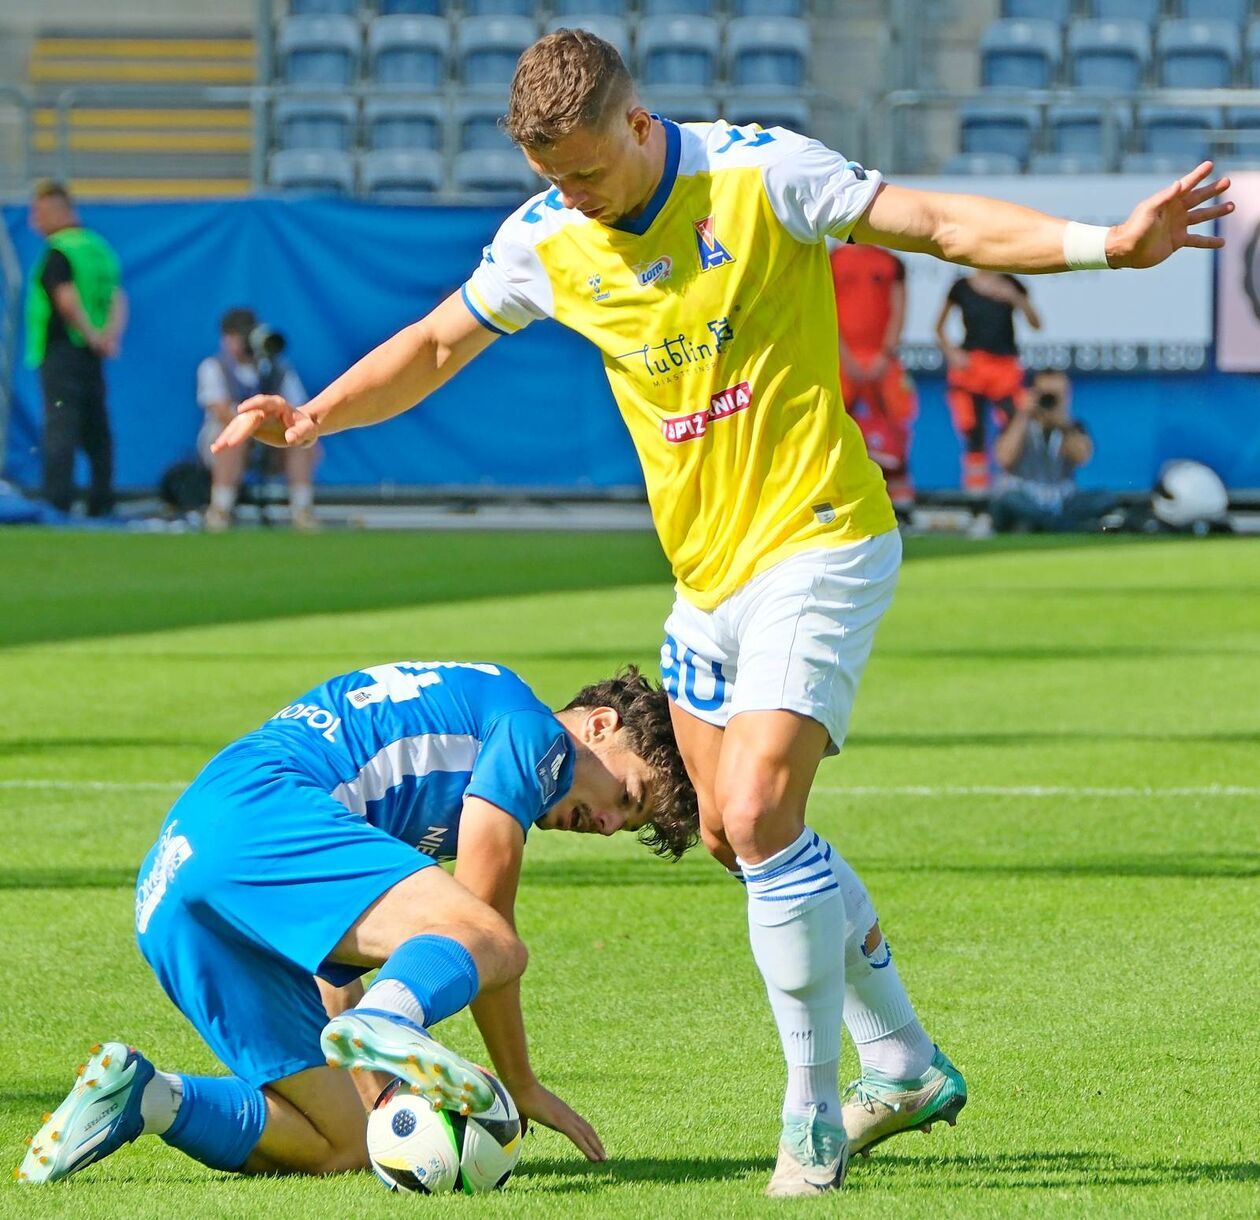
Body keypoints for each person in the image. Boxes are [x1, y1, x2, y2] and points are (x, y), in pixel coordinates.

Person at [211, 30, 1230, 1196]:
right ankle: (900, 1057)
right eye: (554, 179)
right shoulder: (548, 239)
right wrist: (317, 417)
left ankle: (812, 1117)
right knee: (723, 831)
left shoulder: (760, 174)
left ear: (639, 127)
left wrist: (1108, 245)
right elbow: (440, 341)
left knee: (753, 809)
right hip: (706, 582)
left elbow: (940, 226)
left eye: (588, 171)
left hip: (822, 536)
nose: (574, 197)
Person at [19, 662, 697, 1185]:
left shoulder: (436, 777)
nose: (606, 824)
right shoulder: (533, 734)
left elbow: (338, 975)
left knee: (341, 1143)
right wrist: (517, 1084)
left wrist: (388, 1111)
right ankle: (395, 1018)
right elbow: (483, 921)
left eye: (624, 826)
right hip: (261, 811)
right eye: (626, 797)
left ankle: (145, 1097)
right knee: (494, 939)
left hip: (175, 881)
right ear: (600, 725)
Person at [25, 181, 127, 517]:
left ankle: (57, 503)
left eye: (38, 213)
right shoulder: (98, 248)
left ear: (57, 212)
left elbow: (65, 300)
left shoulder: (60, 250)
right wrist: (108, 337)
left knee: (61, 427)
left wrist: (88, 334)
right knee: (97, 428)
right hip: (92, 355)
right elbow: (117, 298)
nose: (33, 222)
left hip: (62, 350)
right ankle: (102, 502)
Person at [197, 308, 318, 532]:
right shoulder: (213, 367)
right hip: (223, 441)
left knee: (301, 437)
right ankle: (220, 511)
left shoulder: (277, 370)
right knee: (232, 437)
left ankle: (302, 511)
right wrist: (251, 425)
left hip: (271, 438)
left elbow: (299, 408)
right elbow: (220, 410)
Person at [829, 242, 918, 515]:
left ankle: (901, 503)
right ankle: (838, 499)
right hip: (841, 360)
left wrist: (886, 354)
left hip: (884, 361)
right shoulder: (832, 258)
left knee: (896, 425)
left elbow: (899, 306)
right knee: (832, 426)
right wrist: (843, 355)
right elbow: (824, 306)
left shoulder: (890, 260)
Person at [935, 271, 1041, 496]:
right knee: (973, 432)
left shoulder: (1011, 283)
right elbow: (938, 327)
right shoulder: (961, 287)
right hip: (972, 369)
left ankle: (1012, 489)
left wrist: (1015, 298)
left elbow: (1036, 324)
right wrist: (952, 353)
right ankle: (977, 495)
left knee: (1014, 424)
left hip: (1005, 371)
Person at [991, 368, 1116, 533]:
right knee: (1007, 500)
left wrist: (1063, 423)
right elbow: (1004, 458)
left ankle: (1045, 524)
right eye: (1046, 395)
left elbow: (1082, 458)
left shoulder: (1073, 427)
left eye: (1057, 395)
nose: (1050, 401)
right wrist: (1023, 414)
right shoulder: (1016, 423)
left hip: (1061, 500)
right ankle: (1059, 525)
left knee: (1105, 498)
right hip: (1024, 497)